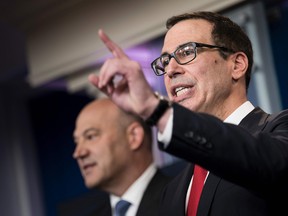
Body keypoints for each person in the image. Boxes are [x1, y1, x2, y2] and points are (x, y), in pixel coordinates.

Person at [88, 11, 288, 216]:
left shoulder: (280, 131)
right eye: (165, 61)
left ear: (236, 65)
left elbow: (265, 162)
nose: (170, 70)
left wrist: (156, 110)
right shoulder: (173, 192)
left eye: (186, 52)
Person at [72, 98, 172, 216]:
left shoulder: (180, 200)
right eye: (77, 142)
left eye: (90, 136)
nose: (78, 153)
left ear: (133, 136)